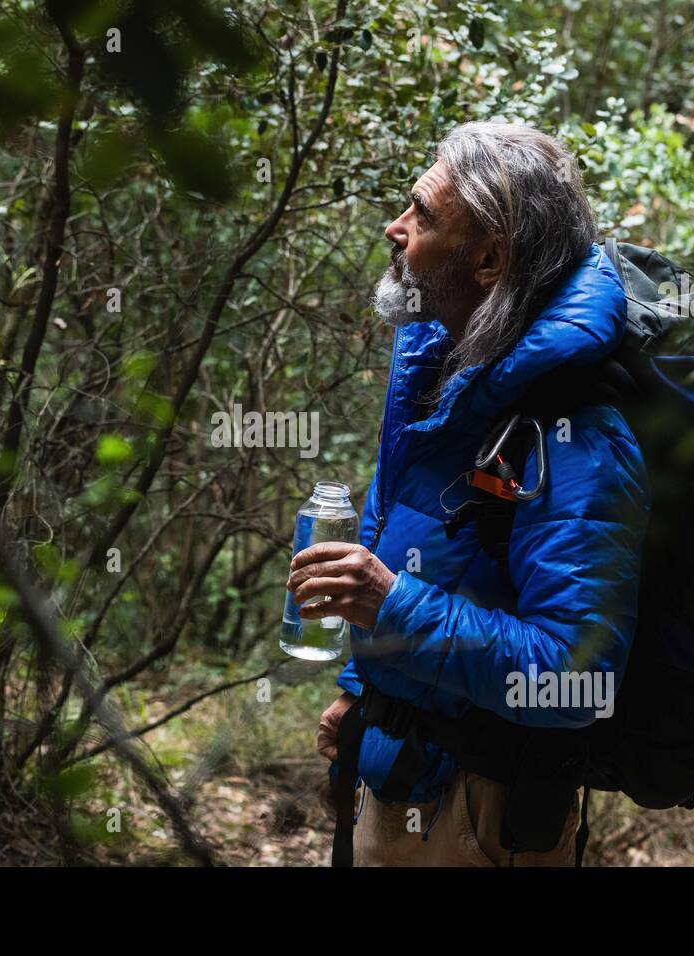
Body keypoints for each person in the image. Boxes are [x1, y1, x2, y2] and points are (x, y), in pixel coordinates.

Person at [285, 122, 650, 866]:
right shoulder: (440, 372)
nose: (395, 227)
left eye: (422, 213)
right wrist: (361, 692)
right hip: (394, 773)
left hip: (482, 815)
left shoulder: (576, 431)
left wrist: (392, 607)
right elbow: (400, 531)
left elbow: (575, 681)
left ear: (487, 260)